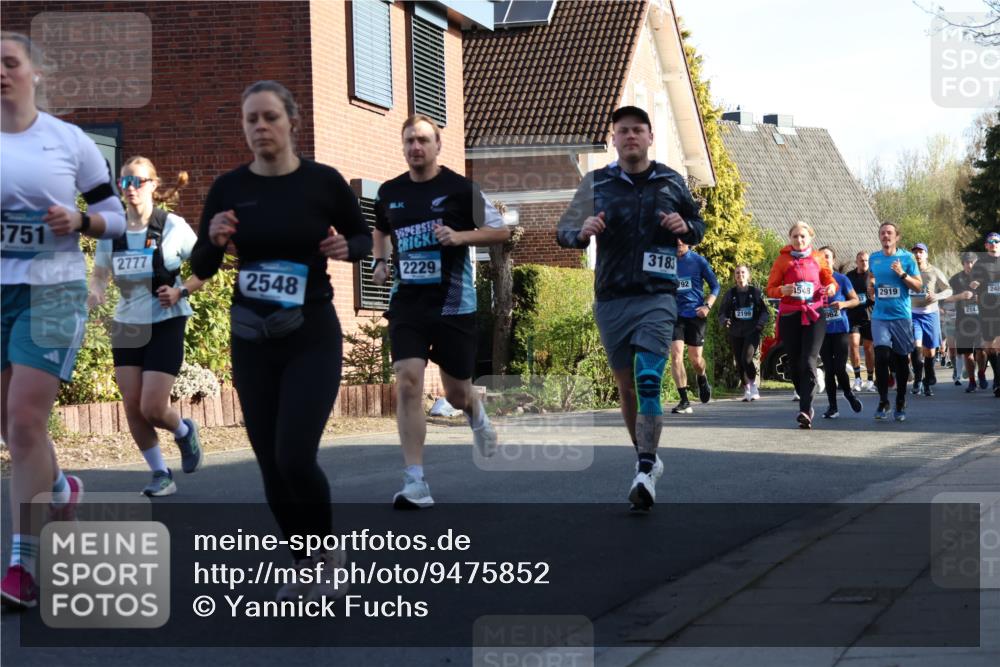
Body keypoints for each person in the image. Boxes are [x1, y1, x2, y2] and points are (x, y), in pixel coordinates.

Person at [190, 80, 372, 601]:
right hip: (252, 337)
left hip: (311, 332)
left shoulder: (323, 182)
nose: (261, 127)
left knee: (294, 455)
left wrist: (345, 245)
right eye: (252, 120)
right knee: (268, 460)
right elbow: (202, 266)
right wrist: (215, 239)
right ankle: (303, 558)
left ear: (292, 121)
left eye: (270, 117)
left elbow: (361, 236)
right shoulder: (228, 188)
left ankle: (328, 551)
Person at [1, 32, 126, 608]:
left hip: (53, 293)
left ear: (36, 73)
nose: (1, 73)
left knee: (25, 420)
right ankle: (61, 487)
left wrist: (80, 222)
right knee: (10, 426)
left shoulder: (69, 142)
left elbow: (115, 217)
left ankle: (21, 568)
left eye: (9, 63)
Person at [557, 106, 705, 510]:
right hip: (611, 297)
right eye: (623, 131)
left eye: (638, 130)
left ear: (650, 137)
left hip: (657, 296)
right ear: (614, 138)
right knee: (626, 388)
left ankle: (642, 469)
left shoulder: (670, 181)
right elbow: (564, 229)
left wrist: (685, 228)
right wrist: (581, 232)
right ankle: (648, 459)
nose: (631, 137)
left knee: (647, 378)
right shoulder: (596, 183)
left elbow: (697, 224)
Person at [371, 114, 508, 509]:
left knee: (457, 392)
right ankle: (415, 480)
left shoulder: (460, 189)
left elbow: (500, 231)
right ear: (403, 146)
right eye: (410, 141)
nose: (416, 147)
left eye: (424, 141)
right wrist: (380, 262)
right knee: (408, 381)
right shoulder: (390, 191)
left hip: (453, 303)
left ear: (437, 146)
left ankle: (477, 414)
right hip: (408, 303)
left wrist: (460, 235)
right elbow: (381, 229)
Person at [88, 157, 206, 496]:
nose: (130, 189)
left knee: (152, 407)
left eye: (138, 182)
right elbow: (100, 273)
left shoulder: (173, 227)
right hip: (127, 323)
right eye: (124, 183)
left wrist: (181, 289)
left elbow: (205, 268)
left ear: (153, 185)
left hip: (166, 321)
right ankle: (160, 474)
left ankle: (183, 431)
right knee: (132, 404)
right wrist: (95, 291)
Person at [766, 222, 836, 429]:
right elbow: (770, 289)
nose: (799, 240)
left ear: (810, 238)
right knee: (795, 364)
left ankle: (805, 409)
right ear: (790, 238)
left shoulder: (817, 258)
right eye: (795, 236)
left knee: (808, 360)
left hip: (814, 314)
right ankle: (806, 393)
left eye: (803, 236)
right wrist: (783, 291)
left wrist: (831, 287)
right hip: (790, 315)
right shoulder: (782, 261)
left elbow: (829, 280)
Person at [867, 222, 922, 421]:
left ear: (896, 237)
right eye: (882, 233)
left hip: (901, 316)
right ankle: (883, 400)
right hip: (880, 316)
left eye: (889, 233)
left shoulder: (907, 258)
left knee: (900, 360)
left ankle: (900, 400)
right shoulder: (874, 258)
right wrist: (871, 286)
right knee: (881, 355)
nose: (885, 236)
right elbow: (872, 277)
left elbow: (917, 286)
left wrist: (902, 274)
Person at [669, 241, 720, 414]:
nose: (678, 244)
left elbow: (715, 286)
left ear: (689, 243)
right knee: (676, 355)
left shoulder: (698, 261)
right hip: (675, 315)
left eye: (682, 241)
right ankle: (684, 400)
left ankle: (702, 376)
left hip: (695, 315)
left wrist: (707, 306)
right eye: (674, 240)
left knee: (696, 360)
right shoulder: (665, 261)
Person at [817, 247, 863, 418]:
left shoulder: (841, 279)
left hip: (841, 330)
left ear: (833, 260)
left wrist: (843, 305)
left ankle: (849, 394)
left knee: (839, 367)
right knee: (829, 369)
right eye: (821, 257)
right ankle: (832, 407)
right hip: (822, 331)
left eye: (827, 257)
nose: (824, 260)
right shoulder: (814, 280)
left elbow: (856, 300)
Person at [717, 265, 769, 401]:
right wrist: (725, 320)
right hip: (735, 331)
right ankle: (746, 389)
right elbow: (722, 312)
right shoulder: (730, 294)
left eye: (743, 272)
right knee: (739, 362)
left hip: (752, 330)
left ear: (748, 275)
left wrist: (760, 324)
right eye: (737, 273)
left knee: (746, 358)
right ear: (735, 277)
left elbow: (765, 311)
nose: (740, 275)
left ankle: (753, 386)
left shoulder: (755, 293)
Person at [907, 243, 951, 396]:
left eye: (921, 252)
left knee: (930, 351)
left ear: (926, 254)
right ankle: (918, 379)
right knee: (916, 346)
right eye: (915, 253)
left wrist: (937, 296)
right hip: (913, 314)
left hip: (930, 314)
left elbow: (948, 289)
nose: (918, 255)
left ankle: (927, 380)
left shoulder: (934, 272)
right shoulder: (909, 271)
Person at [947, 252, 986, 393]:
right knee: (967, 353)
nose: (969, 265)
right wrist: (960, 296)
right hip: (963, 321)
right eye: (966, 263)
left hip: (981, 320)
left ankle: (981, 373)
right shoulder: (955, 279)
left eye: (972, 263)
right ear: (962, 264)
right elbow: (946, 298)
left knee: (981, 350)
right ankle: (971, 381)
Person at [970, 231, 1000, 397]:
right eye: (991, 241)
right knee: (990, 347)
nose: (994, 244)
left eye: (997, 241)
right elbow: (972, 284)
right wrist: (975, 284)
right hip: (986, 310)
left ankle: (998, 381)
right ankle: (996, 375)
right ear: (986, 245)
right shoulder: (980, 265)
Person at [845, 251, 876, 392]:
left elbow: (878, 295)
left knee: (869, 349)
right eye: (861, 260)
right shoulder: (849, 277)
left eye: (866, 261)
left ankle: (870, 379)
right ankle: (857, 378)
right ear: (856, 262)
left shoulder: (872, 276)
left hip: (869, 317)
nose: (864, 263)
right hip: (853, 317)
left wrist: (874, 295)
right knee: (853, 345)